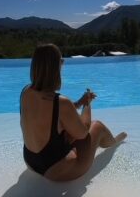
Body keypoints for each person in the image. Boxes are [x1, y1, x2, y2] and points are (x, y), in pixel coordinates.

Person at [19, 43, 127, 181]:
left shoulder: (26, 92)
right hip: (56, 171)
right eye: (61, 60)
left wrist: (78, 103)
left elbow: (51, 115)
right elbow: (83, 132)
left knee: (68, 130)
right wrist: (87, 104)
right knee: (97, 126)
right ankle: (112, 143)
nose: (63, 63)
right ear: (55, 67)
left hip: (31, 162)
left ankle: (110, 141)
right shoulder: (61, 102)